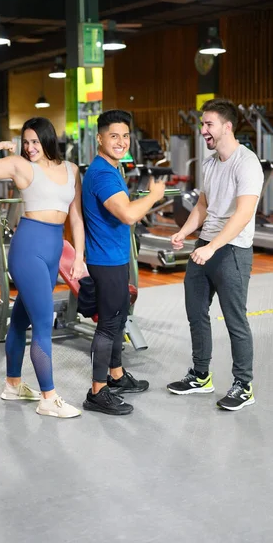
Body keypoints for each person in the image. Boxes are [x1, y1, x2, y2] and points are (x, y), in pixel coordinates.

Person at [0, 117, 84, 419]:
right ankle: (49, 397)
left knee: (20, 320)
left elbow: (76, 218)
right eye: (26, 141)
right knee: (43, 322)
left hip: (54, 249)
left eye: (35, 141)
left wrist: (80, 256)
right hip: (28, 248)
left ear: (48, 139)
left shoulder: (71, 170)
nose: (30, 147)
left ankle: (13, 385)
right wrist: (0, 146)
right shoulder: (21, 165)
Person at [167, 98, 264, 411]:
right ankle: (200, 375)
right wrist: (186, 232)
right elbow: (203, 207)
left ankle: (243, 385)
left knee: (236, 320)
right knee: (196, 312)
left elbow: (244, 213)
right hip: (205, 246)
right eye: (203, 124)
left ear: (227, 127)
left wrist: (212, 247)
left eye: (208, 124)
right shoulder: (209, 164)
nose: (203, 130)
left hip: (232, 251)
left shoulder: (246, 163)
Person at [81, 109, 166, 415]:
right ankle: (97, 391)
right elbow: (129, 214)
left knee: (118, 321)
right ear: (100, 138)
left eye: (125, 135)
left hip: (114, 257)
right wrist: (154, 195)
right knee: (108, 326)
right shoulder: (103, 173)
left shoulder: (112, 168)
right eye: (113, 135)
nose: (120, 141)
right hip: (106, 261)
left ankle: (115, 375)